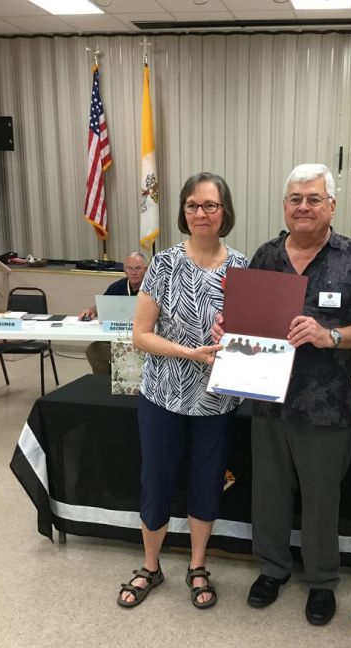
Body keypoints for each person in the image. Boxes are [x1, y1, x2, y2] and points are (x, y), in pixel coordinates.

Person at [215, 163, 351, 625]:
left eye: (313, 199)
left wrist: (329, 335)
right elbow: (245, 318)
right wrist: (228, 329)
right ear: (284, 205)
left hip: (326, 405)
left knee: (321, 497)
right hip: (267, 400)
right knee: (268, 492)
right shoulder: (264, 257)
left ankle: (323, 580)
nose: (303, 207)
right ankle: (271, 569)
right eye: (295, 199)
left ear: (332, 205)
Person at [117, 172, 248, 610]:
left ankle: (196, 565)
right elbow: (140, 334)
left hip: (216, 400)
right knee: (155, 482)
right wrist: (188, 352)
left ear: (224, 211)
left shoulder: (242, 268)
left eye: (210, 205)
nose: (201, 213)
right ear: (182, 211)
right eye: (192, 205)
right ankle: (151, 566)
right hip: (163, 397)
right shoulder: (164, 263)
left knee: (207, 483)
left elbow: (254, 335)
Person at [78, 252, 148, 375]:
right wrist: (92, 310)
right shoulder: (117, 286)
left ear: (146, 269)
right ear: (124, 270)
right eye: (129, 268)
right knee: (94, 351)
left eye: (138, 268)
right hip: (119, 335)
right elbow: (104, 305)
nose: (133, 272)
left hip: (145, 339)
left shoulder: (154, 287)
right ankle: (104, 384)